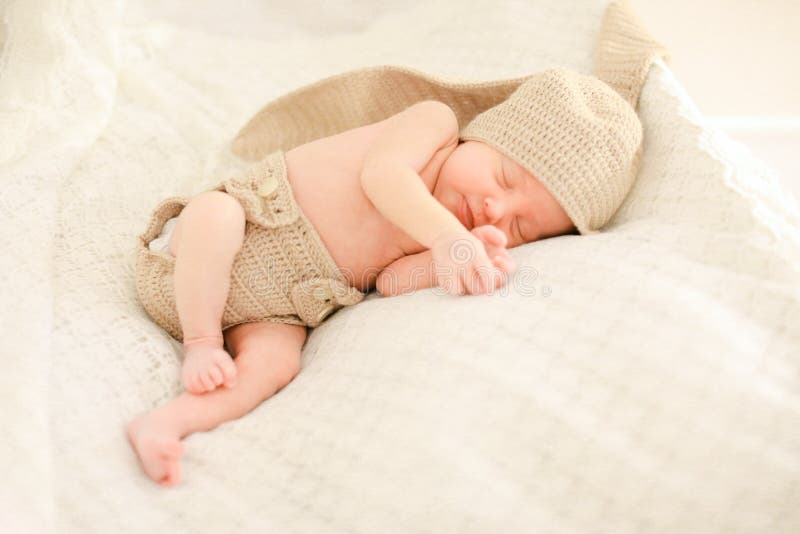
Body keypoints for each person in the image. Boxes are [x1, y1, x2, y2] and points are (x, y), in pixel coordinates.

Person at [127, 67, 642, 487]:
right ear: (478, 137)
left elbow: (388, 283)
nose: (493, 209)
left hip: (276, 311)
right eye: (505, 178)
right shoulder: (433, 125)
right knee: (214, 215)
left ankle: (167, 424)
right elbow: (383, 178)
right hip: (207, 253)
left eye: (519, 225)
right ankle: (200, 340)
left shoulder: (441, 236)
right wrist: (447, 238)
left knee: (277, 364)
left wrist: (442, 267)